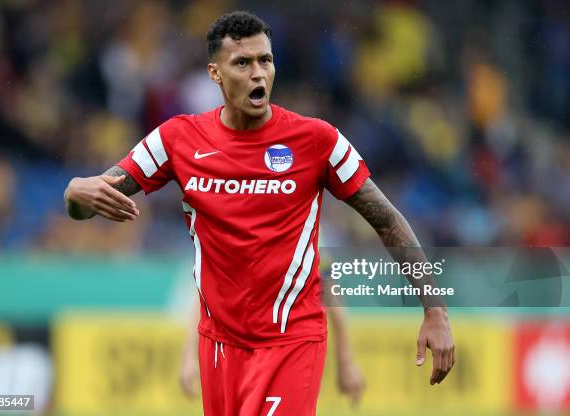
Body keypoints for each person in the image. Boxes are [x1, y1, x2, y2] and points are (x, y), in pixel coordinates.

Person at [64, 11, 454, 416]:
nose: (257, 74)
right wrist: (75, 192)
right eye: (242, 63)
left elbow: (387, 218)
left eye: (264, 61)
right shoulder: (177, 139)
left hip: (291, 342)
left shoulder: (317, 140)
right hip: (218, 346)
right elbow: (88, 202)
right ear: (215, 73)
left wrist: (434, 309)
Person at [179, 297, 366, 407]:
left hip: (287, 352)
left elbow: (331, 293)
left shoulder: (300, 236)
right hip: (235, 352)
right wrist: (189, 354)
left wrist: (346, 362)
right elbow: (207, 291)